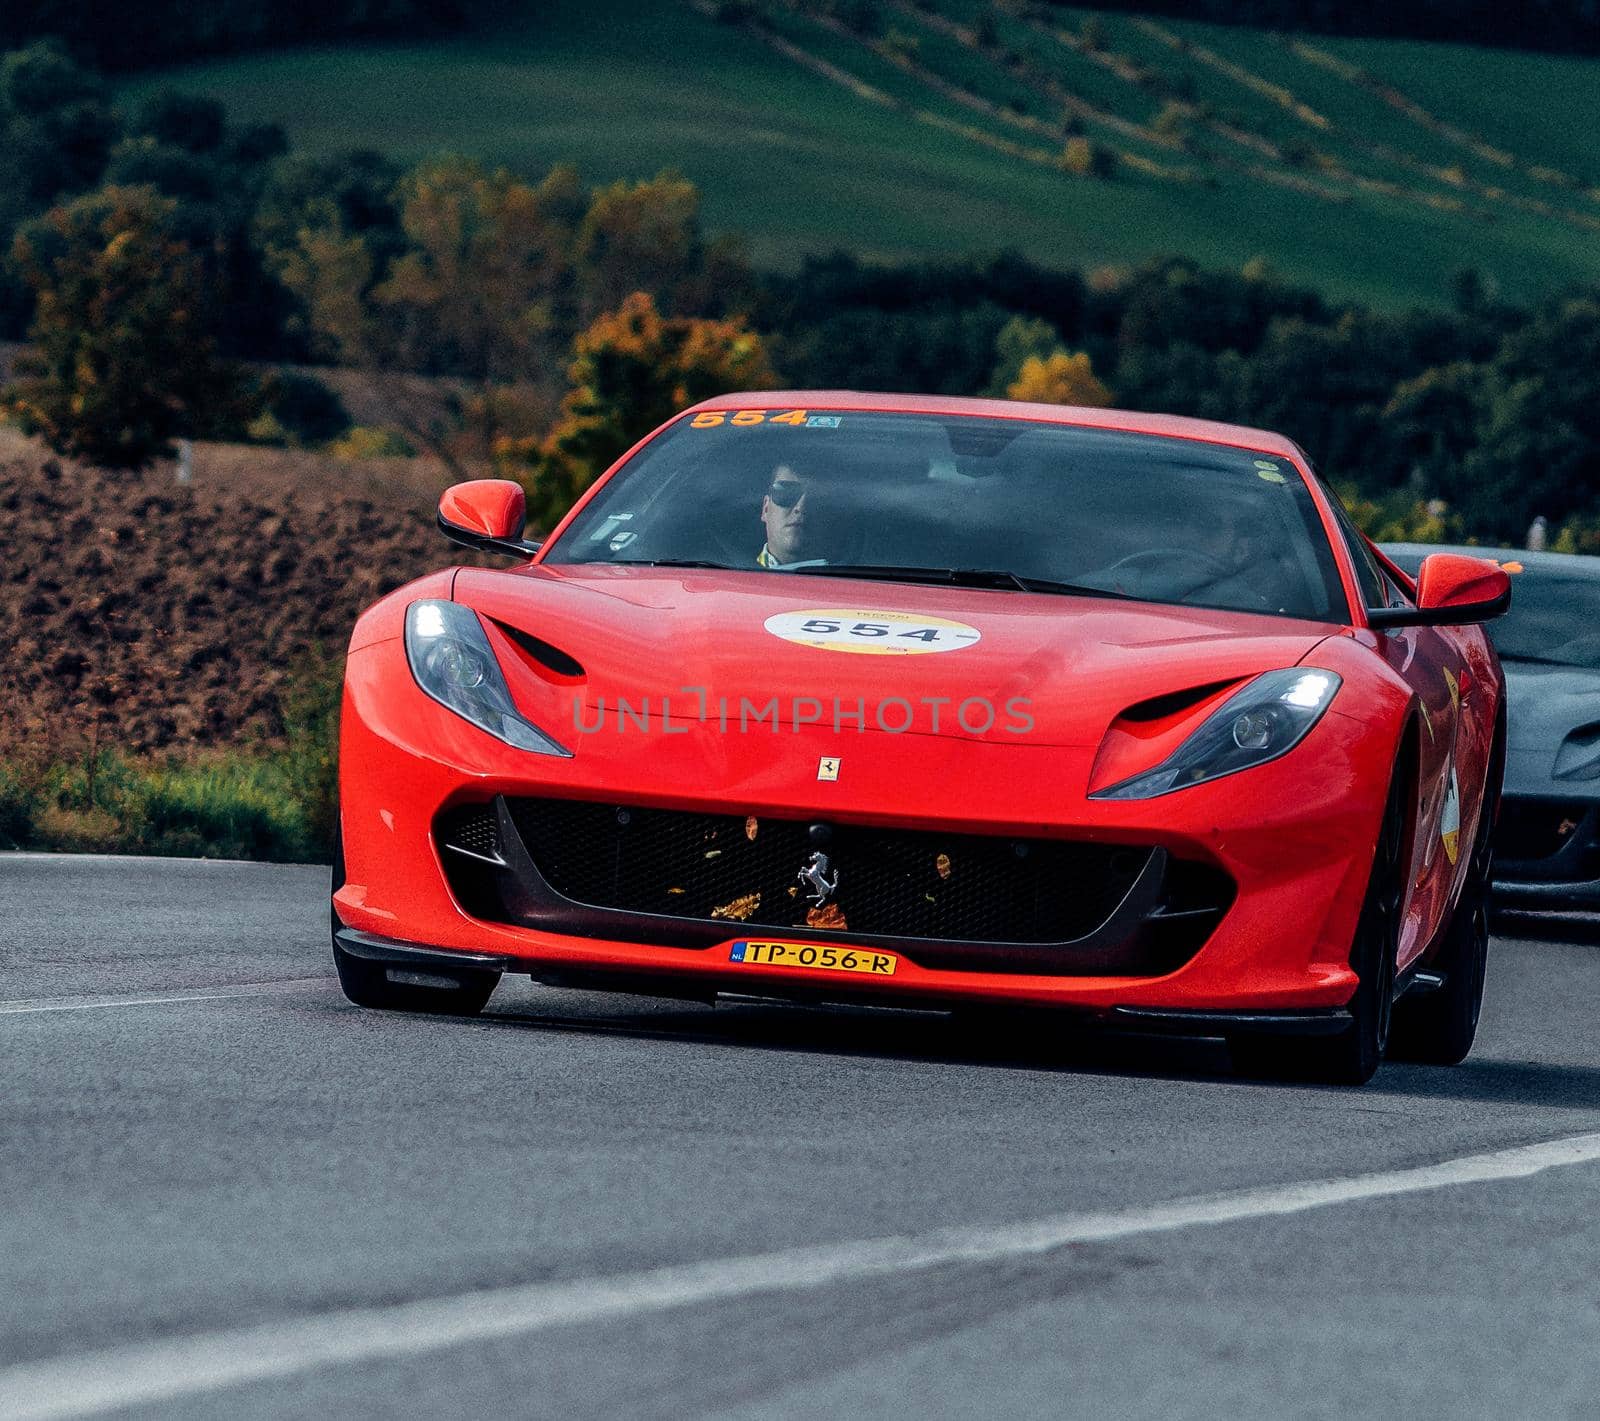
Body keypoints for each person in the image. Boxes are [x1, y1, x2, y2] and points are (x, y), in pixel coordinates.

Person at [757, 463, 830, 569]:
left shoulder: (849, 580)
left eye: (815, 500)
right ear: (765, 508)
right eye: (787, 493)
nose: (800, 507)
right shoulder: (735, 577)